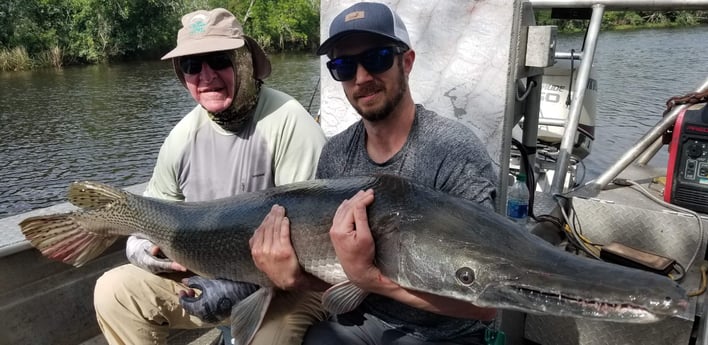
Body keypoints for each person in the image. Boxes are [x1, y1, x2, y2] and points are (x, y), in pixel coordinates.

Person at [92, 8, 327, 345]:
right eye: (191, 66)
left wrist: (234, 287)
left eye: (218, 60)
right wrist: (141, 247)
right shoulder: (181, 138)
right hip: (206, 274)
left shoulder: (290, 123)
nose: (205, 75)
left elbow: (314, 245)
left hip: (291, 287)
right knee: (115, 292)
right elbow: (153, 213)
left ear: (244, 61)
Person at [301, 2, 500, 344]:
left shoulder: (454, 150)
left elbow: (485, 305)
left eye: (377, 58)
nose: (362, 78)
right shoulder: (335, 155)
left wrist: (372, 279)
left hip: (445, 332)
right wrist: (290, 276)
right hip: (362, 320)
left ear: (406, 62)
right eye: (345, 66)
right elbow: (336, 272)